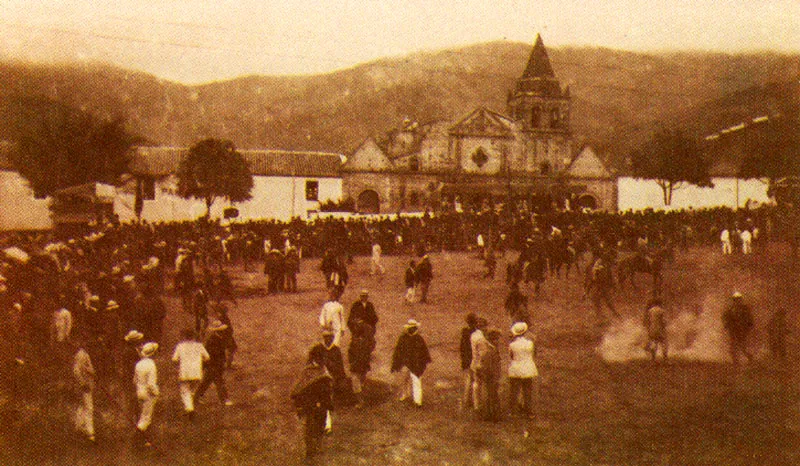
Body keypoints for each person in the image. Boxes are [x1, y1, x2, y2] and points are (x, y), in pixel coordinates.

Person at [290, 345, 333, 460]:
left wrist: (328, 404)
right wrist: (301, 405)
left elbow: (328, 390)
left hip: (322, 405)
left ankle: (317, 448)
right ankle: (310, 453)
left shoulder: (324, 371)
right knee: (309, 429)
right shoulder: (307, 371)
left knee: (320, 427)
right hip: (309, 406)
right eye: (323, 357)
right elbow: (298, 389)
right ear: (317, 357)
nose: (325, 360)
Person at [310, 330, 349, 434]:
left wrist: (339, 379)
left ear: (332, 338)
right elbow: (310, 361)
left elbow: (340, 368)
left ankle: (327, 425)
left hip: (330, 380)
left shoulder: (335, 350)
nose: (328, 339)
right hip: (318, 379)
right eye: (325, 337)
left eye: (330, 337)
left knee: (325, 401)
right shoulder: (317, 348)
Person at [391, 319, 431, 407]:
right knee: (404, 380)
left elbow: (424, 353)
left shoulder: (419, 339)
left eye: (414, 328)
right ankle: (404, 394)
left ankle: (417, 401)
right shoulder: (403, 338)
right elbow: (398, 351)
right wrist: (397, 363)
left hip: (416, 365)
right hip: (405, 363)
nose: (413, 330)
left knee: (416, 381)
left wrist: (422, 363)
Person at [194, 320, 233, 407]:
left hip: (215, 364)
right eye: (221, 330)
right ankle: (224, 400)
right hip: (213, 364)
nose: (222, 331)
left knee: (207, 382)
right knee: (219, 382)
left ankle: (195, 398)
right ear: (217, 331)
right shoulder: (213, 340)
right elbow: (211, 353)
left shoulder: (218, 338)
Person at [508, 322, 537, 437]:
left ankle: (513, 411)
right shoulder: (530, 343)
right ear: (525, 332)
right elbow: (533, 354)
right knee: (527, 390)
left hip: (516, 367)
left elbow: (511, 356)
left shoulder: (512, 345)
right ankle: (528, 412)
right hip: (528, 367)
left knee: (514, 391)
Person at [171, 329, 209, 417]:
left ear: (184, 336)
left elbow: (174, 359)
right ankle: (190, 406)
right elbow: (207, 357)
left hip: (185, 372)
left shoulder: (180, 346)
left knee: (185, 391)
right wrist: (200, 361)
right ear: (194, 336)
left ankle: (189, 409)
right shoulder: (199, 346)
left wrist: (179, 363)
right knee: (192, 390)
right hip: (196, 371)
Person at [133, 342, 159, 448]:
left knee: (143, 416)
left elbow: (134, 380)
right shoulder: (151, 365)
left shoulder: (138, 364)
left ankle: (144, 441)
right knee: (146, 418)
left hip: (139, 392)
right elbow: (151, 384)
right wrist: (156, 393)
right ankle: (136, 439)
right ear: (152, 353)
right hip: (148, 394)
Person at [347, 319, 375, 406]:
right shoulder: (356, 339)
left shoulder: (365, 339)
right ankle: (360, 400)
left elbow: (371, 346)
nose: (356, 327)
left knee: (360, 379)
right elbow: (350, 351)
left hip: (361, 362)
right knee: (356, 381)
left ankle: (360, 397)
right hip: (357, 363)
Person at [722, 292, 754, 364]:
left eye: (738, 299)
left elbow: (749, 318)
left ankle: (749, 357)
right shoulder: (730, 309)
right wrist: (726, 325)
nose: (737, 301)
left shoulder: (745, 309)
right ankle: (735, 360)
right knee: (733, 345)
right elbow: (725, 318)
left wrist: (749, 326)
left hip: (742, 330)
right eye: (735, 300)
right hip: (733, 330)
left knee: (742, 346)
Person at [73, 340, 96, 442]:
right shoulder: (81, 354)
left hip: (86, 384)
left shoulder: (85, 354)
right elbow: (76, 370)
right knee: (89, 408)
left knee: (82, 407)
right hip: (84, 385)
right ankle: (89, 432)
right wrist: (82, 383)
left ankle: (79, 429)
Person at [478, 329, 502, 422]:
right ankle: (491, 415)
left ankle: (490, 414)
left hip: (492, 376)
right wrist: (492, 377)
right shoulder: (490, 351)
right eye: (497, 339)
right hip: (491, 377)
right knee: (491, 396)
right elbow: (488, 366)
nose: (498, 341)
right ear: (493, 340)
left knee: (491, 395)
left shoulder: (492, 349)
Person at [469, 317, 490, 411]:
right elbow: (483, 353)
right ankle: (480, 404)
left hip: (474, 361)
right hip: (481, 363)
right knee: (482, 384)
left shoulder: (473, 335)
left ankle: (476, 404)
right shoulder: (481, 339)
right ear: (483, 327)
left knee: (476, 383)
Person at [459, 313, 478, 410]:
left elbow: (462, 348)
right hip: (474, 358)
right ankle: (474, 402)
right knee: (475, 380)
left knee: (468, 379)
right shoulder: (476, 333)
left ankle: (467, 400)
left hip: (466, 359)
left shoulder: (464, 333)